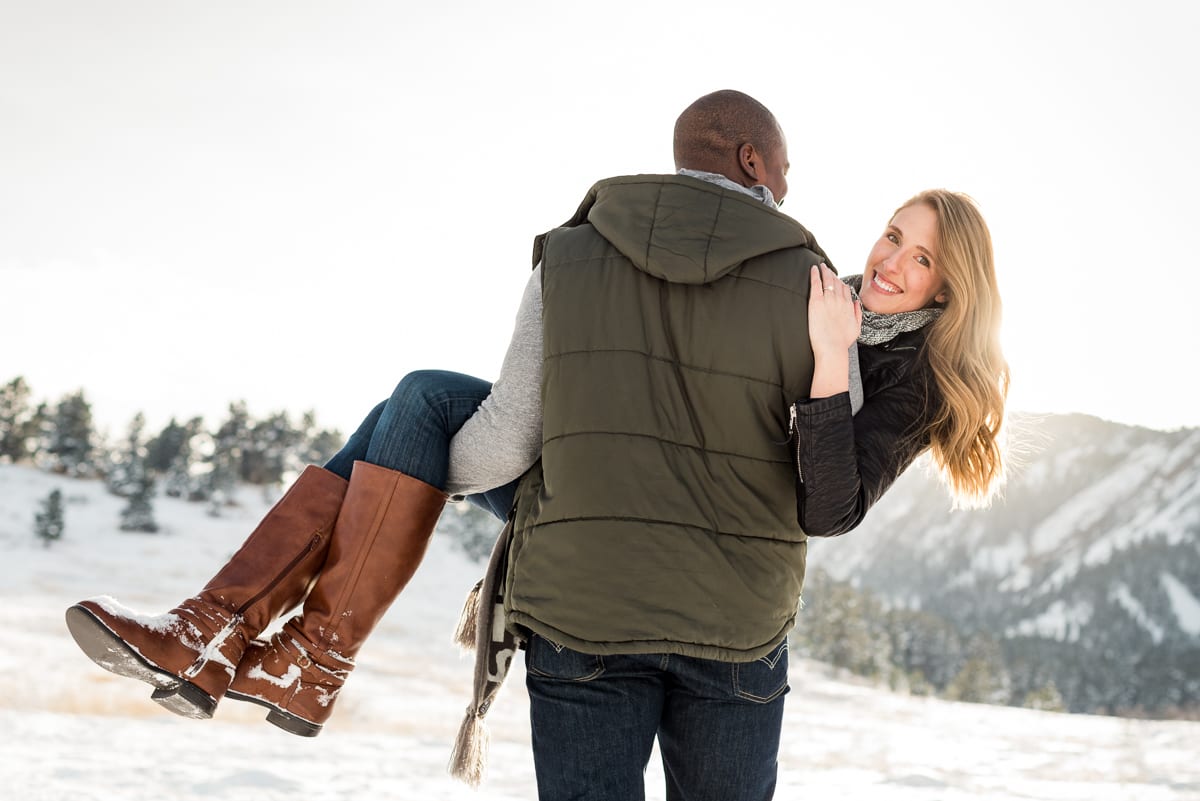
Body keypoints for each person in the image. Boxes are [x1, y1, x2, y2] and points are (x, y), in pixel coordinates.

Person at [65, 90, 1007, 798]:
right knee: (423, 396)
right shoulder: (808, 287)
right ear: (758, 161)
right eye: (893, 234)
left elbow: (824, 505)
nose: (890, 259)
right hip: (723, 607)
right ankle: (252, 638)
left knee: (424, 402)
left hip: (617, 580)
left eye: (920, 255)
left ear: (949, 285)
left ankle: (271, 642)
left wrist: (832, 364)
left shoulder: (848, 338)